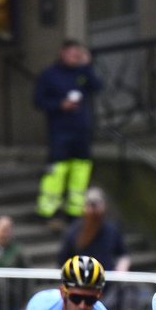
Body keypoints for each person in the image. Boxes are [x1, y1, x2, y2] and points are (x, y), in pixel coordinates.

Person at [34, 40, 102, 228]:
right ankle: (47, 210)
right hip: (60, 130)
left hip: (81, 129)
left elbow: (97, 87)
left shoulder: (82, 72)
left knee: (80, 170)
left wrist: (87, 66)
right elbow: (39, 100)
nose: (75, 57)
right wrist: (59, 105)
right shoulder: (50, 75)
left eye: (77, 54)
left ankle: (74, 210)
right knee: (57, 171)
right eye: (72, 54)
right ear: (62, 53)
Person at [56, 187, 129, 272]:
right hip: (82, 282)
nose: (94, 210)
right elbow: (62, 262)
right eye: (90, 204)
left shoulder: (112, 230)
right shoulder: (73, 232)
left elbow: (123, 255)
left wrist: (121, 267)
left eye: (97, 204)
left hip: (107, 280)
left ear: (104, 206)